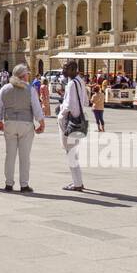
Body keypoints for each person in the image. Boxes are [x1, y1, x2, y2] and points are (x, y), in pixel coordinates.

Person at [0, 63, 45, 192]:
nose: (28, 76)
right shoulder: (30, 89)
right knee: (24, 156)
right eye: (27, 74)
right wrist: (41, 122)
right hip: (26, 123)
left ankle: (9, 183)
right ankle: (24, 184)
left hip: (9, 122)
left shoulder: (5, 88)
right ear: (23, 76)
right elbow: (36, 107)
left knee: (10, 155)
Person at [57, 60, 87, 192]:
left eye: (66, 68)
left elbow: (69, 105)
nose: (64, 70)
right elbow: (85, 101)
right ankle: (78, 181)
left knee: (70, 153)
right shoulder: (80, 81)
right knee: (73, 153)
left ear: (73, 69)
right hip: (80, 120)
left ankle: (77, 183)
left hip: (71, 122)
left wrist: (61, 112)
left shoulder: (70, 84)